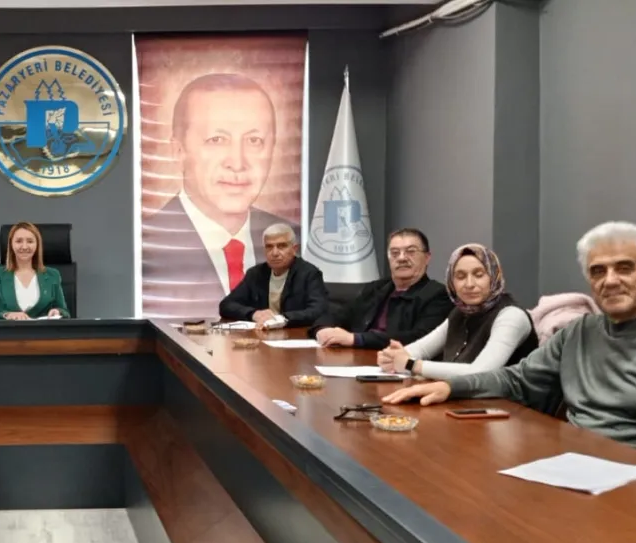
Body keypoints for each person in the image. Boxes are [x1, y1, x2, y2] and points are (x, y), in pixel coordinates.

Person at [384, 221, 636, 476]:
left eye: (624, 268)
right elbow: (517, 380)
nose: (610, 280)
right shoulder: (577, 333)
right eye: (598, 271)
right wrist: (451, 387)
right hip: (573, 469)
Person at [141, 73, 300, 318]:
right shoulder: (147, 246)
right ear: (179, 150)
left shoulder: (298, 242)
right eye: (216, 140)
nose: (237, 162)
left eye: (254, 140)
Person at [376, 243, 537, 379]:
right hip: (461, 398)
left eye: (479, 275)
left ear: (494, 277)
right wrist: (392, 356)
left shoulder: (511, 316)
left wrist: (412, 364)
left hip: (508, 404)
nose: (469, 284)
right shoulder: (460, 312)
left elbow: (481, 373)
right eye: (460, 276)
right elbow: (423, 348)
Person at [308, 228, 451, 350]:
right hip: (358, 358)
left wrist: (356, 339)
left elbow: (421, 338)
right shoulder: (376, 288)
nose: (401, 258)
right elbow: (338, 314)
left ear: (427, 257)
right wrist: (322, 329)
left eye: (411, 252)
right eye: (394, 253)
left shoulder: (438, 295)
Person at [218, 223, 328, 328]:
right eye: (269, 247)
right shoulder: (256, 274)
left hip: (294, 333)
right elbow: (226, 305)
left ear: (294, 249)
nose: (274, 253)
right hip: (261, 333)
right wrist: (253, 314)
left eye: (281, 246)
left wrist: (282, 319)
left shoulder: (309, 274)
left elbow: (318, 310)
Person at [0, 222, 70, 320]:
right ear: (11, 244)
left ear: (37, 245)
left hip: (43, 330)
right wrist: (7, 315)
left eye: (30, 241)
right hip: (9, 330)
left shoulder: (52, 275)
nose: (24, 247)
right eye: (19, 241)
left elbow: (65, 312)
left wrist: (58, 312)